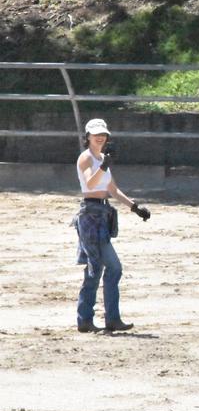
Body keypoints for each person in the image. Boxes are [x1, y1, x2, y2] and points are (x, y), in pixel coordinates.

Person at [73, 118, 151, 333]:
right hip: (90, 215)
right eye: (96, 134)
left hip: (102, 212)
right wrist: (105, 164)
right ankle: (107, 319)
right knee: (110, 267)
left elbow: (113, 190)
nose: (100, 137)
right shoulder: (86, 158)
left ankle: (88, 320)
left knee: (95, 269)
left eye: (104, 134)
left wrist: (135, 207)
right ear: (87, 136)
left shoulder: (100, 158)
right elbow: (89, 183)